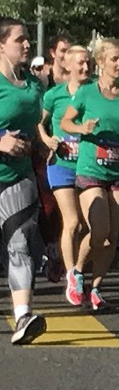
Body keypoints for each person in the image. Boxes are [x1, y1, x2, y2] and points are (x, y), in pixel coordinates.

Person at [60, 39, 119, 312]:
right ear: (100, 63)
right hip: (91, 170)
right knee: (100, 230)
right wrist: (81, 128)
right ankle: (77, 271)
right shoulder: (87, 93)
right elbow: (65, 122)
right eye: (114, 60)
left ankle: (95, 287)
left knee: (112, 236)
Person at [0, 18, 47, 344]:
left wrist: (41, 146)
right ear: (1, 45)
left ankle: (23, 317)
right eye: (20, 40)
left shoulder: (33, 84)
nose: (27, 44)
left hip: (18, 175)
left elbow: (36, 126)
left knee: (20, 244)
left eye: (28, 39)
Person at [40, 45, 92, 287]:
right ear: (68, 65)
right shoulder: (54, 95)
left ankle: (77, 266)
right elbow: (38, 122)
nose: (85, 67)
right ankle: (72, 275)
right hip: (61, 164)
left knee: (89, 226)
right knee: (71, 222)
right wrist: (47, 139)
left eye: (89, 62)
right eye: (80, 63)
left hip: (89, 167)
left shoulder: (96, 93)